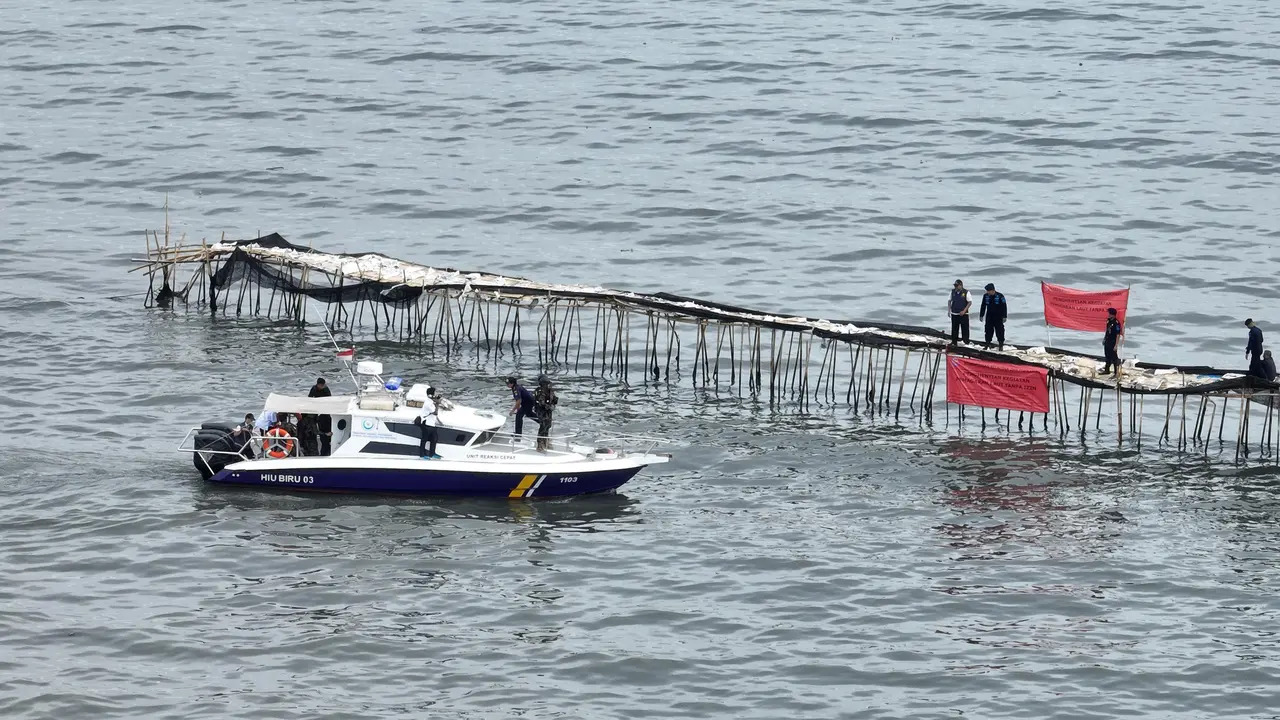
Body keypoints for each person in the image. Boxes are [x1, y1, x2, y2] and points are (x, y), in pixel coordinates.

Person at [533, 374, 558, 452]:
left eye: (547, 383)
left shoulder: (550, 391)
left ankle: (545, 441)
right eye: (545, 383)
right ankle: (540, 444)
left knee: (548, 425)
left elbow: (554, 399)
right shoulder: (539, 391)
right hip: (541, 411)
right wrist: (547, 406)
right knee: (543, 426)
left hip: (549, 411)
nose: (546, 385)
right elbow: (541, 402)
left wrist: (553, 404)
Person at [309, 377, 334, 455]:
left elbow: (329, 399)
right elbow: (309, 398)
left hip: (325, 408)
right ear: (318, 385)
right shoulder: (314, 389)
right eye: (322, 385)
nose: (323, 386)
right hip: (317, 408)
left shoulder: (326, 389)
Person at [979, 283, 1007, 350]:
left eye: (989, 291)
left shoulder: (1000, 296)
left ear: (993, 290)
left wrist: (1004, 316)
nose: (987, 292)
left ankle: (1000, 345)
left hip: (998, 316)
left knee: (1000, 331)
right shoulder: (985, 296)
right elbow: (983, 305)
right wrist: (981, 315)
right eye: (987, 291)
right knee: (988, 331)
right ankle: (987, 344)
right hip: (989, 316)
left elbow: (1004, 306)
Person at [415, 386, 440, 459]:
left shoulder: (431, 401)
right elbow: (435, 412)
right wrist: (437, 403)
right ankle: (422, 455)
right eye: (435, 393)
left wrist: (436, 401)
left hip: (432, 424)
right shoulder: (428, 403)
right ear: (430, 395)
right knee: (424, 440)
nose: (436, 394)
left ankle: (432, 454)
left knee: (434, 439)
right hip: (426, 424)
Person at [947, 279, 971, 345]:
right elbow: (949, 301)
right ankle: (954, 342)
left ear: (961, 285)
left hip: (963, 314)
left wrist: (964, 311)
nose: (956, 287)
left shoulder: (966, 292)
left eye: (957, 286)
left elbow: (969, 302)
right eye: (955, 286)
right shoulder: (952, 292)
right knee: (954, 329)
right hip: (954, 313)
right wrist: (949, 310)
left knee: (965, 329)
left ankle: (966, 342)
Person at [1101, 307, 1124, 375]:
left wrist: (1116, 345)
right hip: (1107, 340)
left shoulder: (1116, 323)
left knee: (1114, 357)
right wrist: (1104, 339)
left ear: (1113, 314)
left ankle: (1116, 372)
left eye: (1109, 313)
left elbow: (1117, 334)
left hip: (1113, 341)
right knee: (1107, 355)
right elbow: (1107, 331)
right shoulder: (1108, 321)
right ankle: (1107, 370)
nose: (1108, 315)